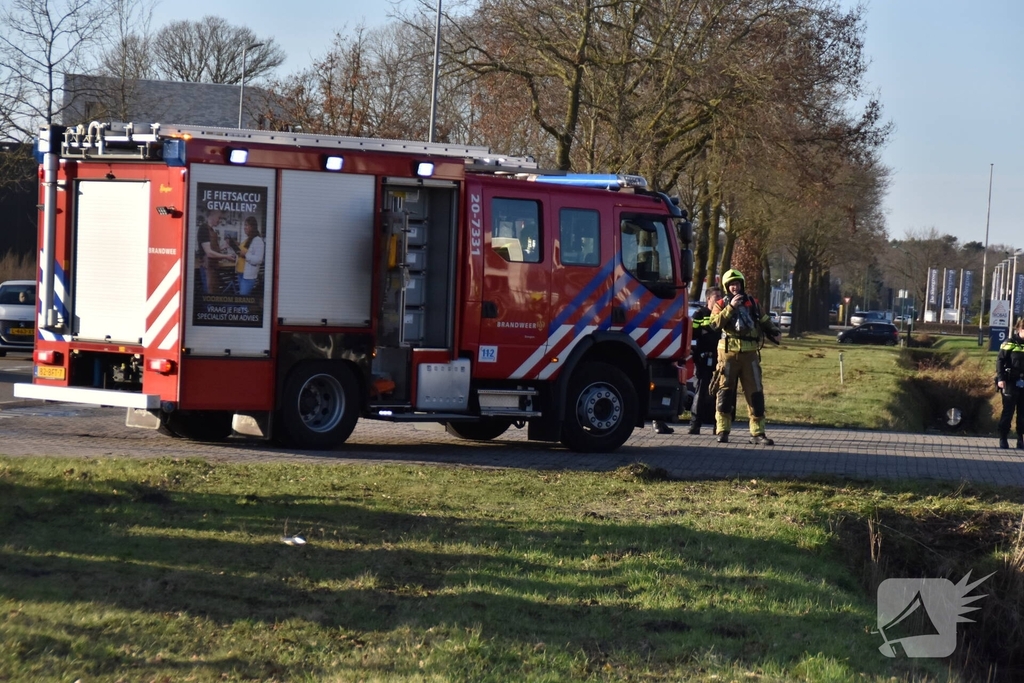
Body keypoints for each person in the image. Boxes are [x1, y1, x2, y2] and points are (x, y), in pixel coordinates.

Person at [709, 269, 781, 444]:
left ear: (742, 284)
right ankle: (722, 430)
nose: (735, 287)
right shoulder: (720, 304)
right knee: (725, 393)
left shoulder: (753, 303)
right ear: (727, 287)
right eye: (732, 284)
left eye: (737, 284)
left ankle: (758, 433)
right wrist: (731, 307)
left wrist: (774, 331)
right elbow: (714, 324)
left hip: (750, 355)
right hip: (727, 355)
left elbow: (764, 320)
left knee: (755, 393)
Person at [686, 286, 723, 435]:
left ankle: (718, 426)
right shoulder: (700, 314)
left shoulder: (723, 314)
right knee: (700, 392)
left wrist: (706, 331)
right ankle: (695, 424)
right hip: (703, 358)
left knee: (720, 393)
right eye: (716, 297)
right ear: (708, 298)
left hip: (719, 358)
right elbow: (693, 334)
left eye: (721, 296)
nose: (719, 300)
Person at [995, 317, 1024, 449]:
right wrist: (1001, 379)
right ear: (1019, 329)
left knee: (1022, 413)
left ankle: (1020, 438)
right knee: (1008, 411)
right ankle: (1003, 437)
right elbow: (1000, 360)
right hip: (1010, 381)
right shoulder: (1010, 342)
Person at [197, 210, 235, 294]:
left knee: (213, 292)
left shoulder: (212, 230)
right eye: (219, 217)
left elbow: (213, 250)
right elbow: (209, 253)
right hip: (207, 268)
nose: (220, 220)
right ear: (212, 215)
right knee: (209, 294)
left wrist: (223, 247)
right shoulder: (203, 229)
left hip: (213, 267)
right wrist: (226, 256)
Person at [236, 216, 265, 296]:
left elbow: (258, 260)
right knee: (242, 299)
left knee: (243, 301)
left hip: (248, 276)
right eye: (244, 225)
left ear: (252, 227)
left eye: (246, 225)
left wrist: (245, 255)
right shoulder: (247, 239)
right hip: (241, 274)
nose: (244, 228)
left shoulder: (258, 240)